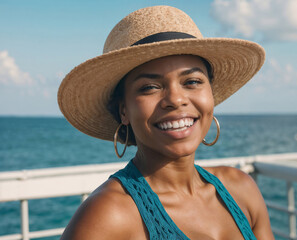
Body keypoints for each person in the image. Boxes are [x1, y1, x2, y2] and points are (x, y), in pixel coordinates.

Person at [58, 5, 274, 240]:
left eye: (192, 81)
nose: (176, 99)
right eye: (150, 87)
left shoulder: (241, 189)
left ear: (211, 94)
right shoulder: (109, 216)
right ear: (124, 110)